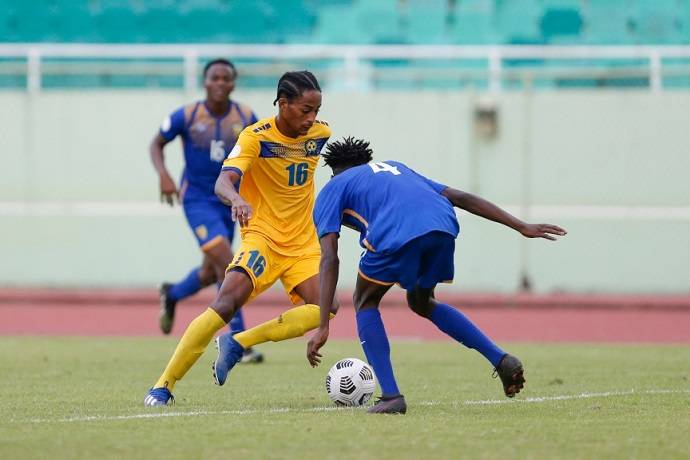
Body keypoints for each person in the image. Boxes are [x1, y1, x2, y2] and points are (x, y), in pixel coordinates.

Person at [306, 137, 567, 414]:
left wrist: (323, 325)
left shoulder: (333, 187)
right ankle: (500, 359)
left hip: (398, 232)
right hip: (442, 226)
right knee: (421, 301)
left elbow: (329, 257)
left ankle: (392, 396)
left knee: (365, 301)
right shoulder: (396, 168)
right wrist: (521, 226)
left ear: (335, 170)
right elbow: (461, 198)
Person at [144, 70, 339, 407]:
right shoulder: (255, 137)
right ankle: (164, 384)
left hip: (302, 245)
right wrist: (237, 199)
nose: (312, 118)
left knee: (327, 307)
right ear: (283, 103)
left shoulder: (321, 135)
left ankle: (238, 342)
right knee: (225, 302)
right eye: (305, 110)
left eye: (316, 110)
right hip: (262, 239)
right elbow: (223, 182)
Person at [149, 58, 263, 363]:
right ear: (206, 81)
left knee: (209, 271)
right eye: (216, 77)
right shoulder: (187, 115)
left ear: (234, 84)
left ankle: (172, 294)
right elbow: (156, 143)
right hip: (197, 199)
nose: (221, 83)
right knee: (229, 262)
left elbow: (260, 155)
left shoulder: (246, 116)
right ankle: (238, 341)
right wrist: (164, 174)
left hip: (229, 201)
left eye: (227, 78)